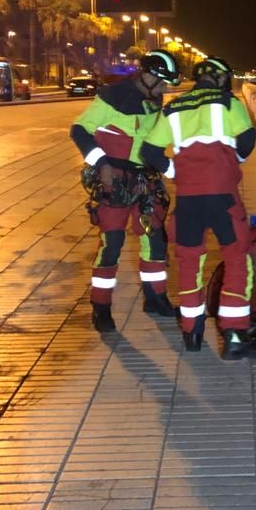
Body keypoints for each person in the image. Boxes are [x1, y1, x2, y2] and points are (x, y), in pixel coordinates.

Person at [141, 56, 256, 360]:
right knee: (238, 260)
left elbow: (149, 150)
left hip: (187, 200)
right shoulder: (227, 103)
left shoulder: (172, 107)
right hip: (223, 197)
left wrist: (174, 173)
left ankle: (192, 332)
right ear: (221, 78)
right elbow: (248, 138)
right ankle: (235, 334)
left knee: (188, 263)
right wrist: (229, 162)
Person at [70, 49, 181, 333]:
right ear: (147, 76)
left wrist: (176, 172)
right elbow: (80, 130)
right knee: (112, 245)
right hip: (114, 181)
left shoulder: (154, 100)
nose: (166, 89)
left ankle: (155, 298)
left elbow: (152, 144)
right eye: (163, 82)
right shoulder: (111, 96)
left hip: (146, 178)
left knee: (155, 241)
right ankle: (101, 307)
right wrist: (101, 163)